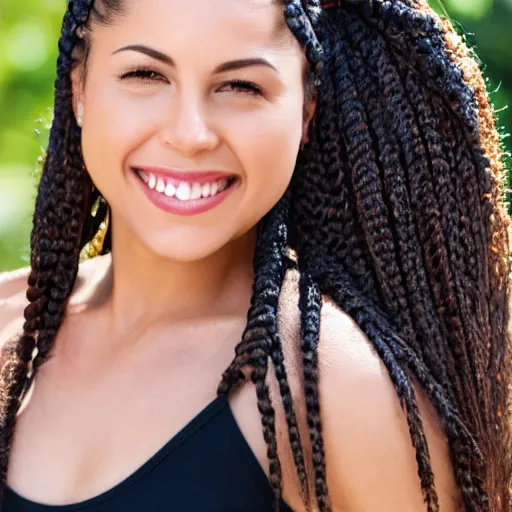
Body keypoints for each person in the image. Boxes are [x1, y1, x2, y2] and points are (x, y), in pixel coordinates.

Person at [0, 0, 510, 510]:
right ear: (79, 88)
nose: (190, 134)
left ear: (306, 110)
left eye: (240, 87)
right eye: (145, 74)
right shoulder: (8, 325)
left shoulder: (338, 388)